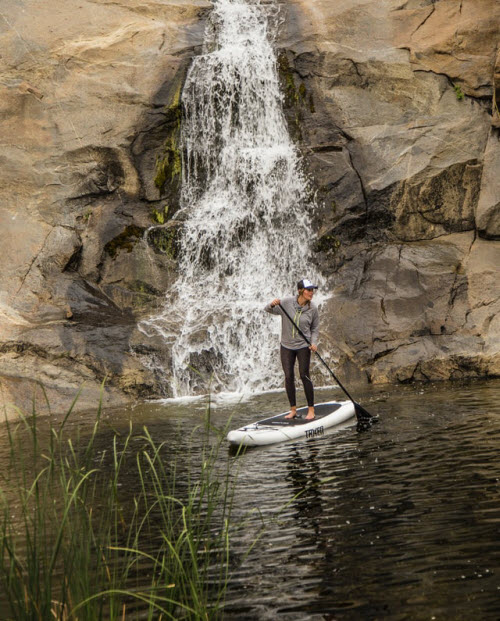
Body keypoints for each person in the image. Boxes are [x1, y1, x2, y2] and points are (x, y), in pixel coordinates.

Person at [265, 279, 319, 420]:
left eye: (312, 290)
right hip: (286, 346)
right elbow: (268, 309)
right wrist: (272, 304)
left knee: (304, 375)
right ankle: (293, 410)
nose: (311, 293)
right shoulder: (287, 302)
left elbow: (315, 329)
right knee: (289, 376)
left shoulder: (313, 308)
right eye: (309, 290)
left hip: (303, 346)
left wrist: (313, 343)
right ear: (300, 290)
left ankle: (311, 410)